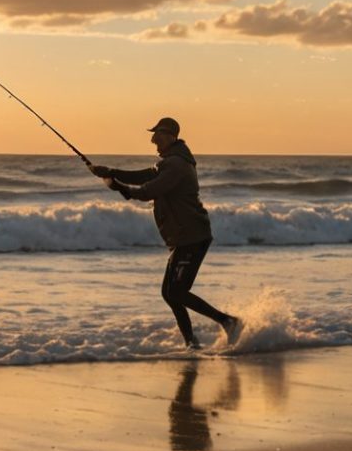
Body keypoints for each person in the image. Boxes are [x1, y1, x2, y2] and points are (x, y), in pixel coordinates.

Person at [91, 117, 243, 350]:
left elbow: (149, 190)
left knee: (177, 292)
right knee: (170, 293)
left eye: (157, 135)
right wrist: (111, 172)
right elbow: (145, 175)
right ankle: (191, 343)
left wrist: (121, 189)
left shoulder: (176, 165)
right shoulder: (172, 161)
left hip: (191, 237)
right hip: (185, 237)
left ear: (170, 136)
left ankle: (228, 322)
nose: (153, 140)